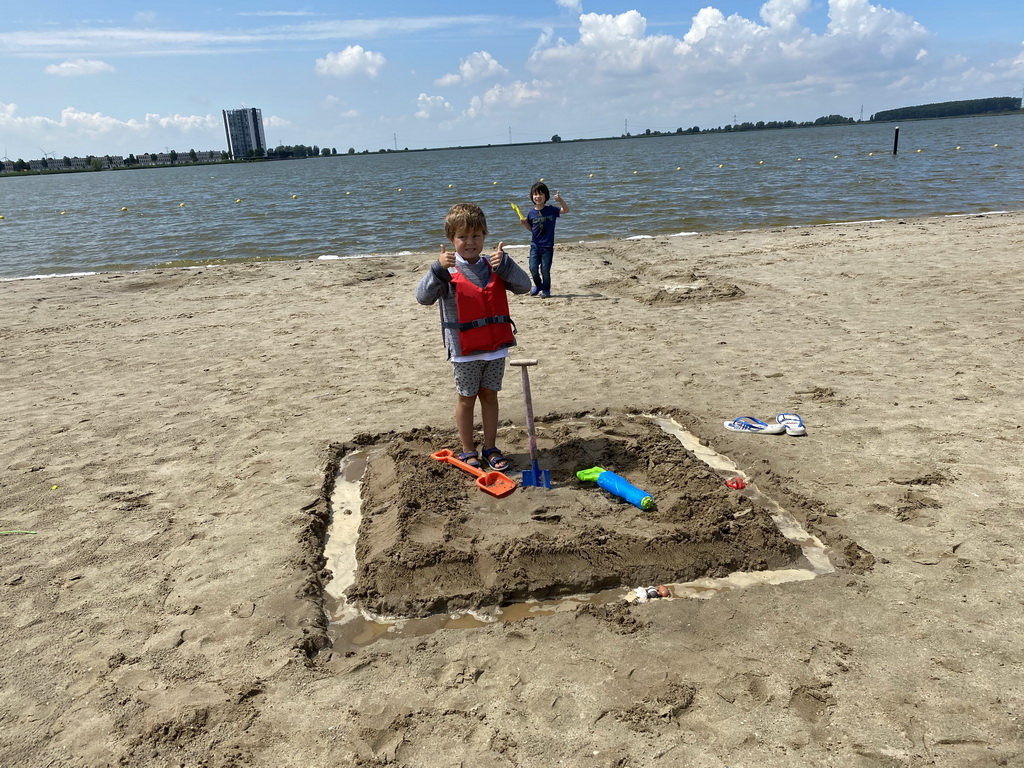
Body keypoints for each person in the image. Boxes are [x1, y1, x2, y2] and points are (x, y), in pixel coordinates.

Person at [416, 203, 532, 471]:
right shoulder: (445, 270)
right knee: (466, 398)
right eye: (463, 237)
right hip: (464, 350)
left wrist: (507, 265)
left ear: (485, 236)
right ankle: (468, 449)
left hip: (495, 348)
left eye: (476, 235)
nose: (470, 242)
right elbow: (423, 298)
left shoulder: (495, 265)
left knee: (490, 396)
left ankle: (490, 447)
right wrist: (436, 269)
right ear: (451, 239)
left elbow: (524, 287)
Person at [519, 181, 569, 298]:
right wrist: (524, 223)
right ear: (532, 197)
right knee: (533, 268)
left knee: (545, 270)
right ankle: (538, 285)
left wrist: (560, 200)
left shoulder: (551, 210)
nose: (538, 196)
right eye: (535, 194)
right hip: (535, 245)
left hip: (547, 246)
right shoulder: (531, 213)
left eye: (540, 194)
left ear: (546, 196)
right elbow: (532, 229)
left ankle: (546, 289)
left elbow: (566, 210)